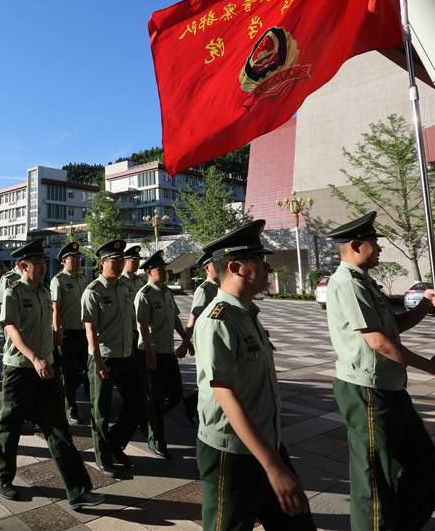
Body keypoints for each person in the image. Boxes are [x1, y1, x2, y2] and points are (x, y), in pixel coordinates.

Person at [325, 211, 435, 531]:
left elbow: (392, 327)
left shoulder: (365, 282)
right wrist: (432, 367)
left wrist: (423, 306)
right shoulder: (347, 282)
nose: (380, 247)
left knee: (428, 471)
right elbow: (379, 342)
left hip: (390, 388)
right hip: (368, 391)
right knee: (374, 483)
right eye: (374, 242)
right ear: (356, 245)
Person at [194, 220, 315, 531]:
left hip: (265, 442)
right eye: (260, 261)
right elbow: (225, 393)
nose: (268, 267)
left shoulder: (246, 314)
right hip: (232, 452)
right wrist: (273, 466)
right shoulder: (218, 320)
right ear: (235, 267)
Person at [0, 238, 106, 511]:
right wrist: (35, 358)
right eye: (37, 263)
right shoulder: (13, 291)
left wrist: (49, 359)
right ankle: (2, 477)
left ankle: (78, 491)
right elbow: (11, 329)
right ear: (22, 265)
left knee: (58, 428)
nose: (43, 267)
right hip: (20, 368)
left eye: (44, 262)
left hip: (46, 369)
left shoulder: (43, 292)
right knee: (10, 425)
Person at [82, 239, 146, 479]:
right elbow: (90, 328)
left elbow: (130, 317)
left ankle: (115, 443)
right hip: (104, 358)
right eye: (115, 261)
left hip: (126, 355)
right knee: (101, 411)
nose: (119, 265)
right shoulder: (93, 291)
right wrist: (97, 361)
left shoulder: (124, 288)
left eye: (121, 261)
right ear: (103, 263)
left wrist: (131, 336)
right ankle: (102, 457)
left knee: (139, 402)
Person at [135, 250, 187, 459]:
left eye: (165, 269)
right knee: (156, 398)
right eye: (160, 270)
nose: (164, 273)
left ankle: (149, 419)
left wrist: (185, 337)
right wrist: (149, 353)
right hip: (151, 352)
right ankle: (157, 439)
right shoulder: (144, 295)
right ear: (149, 272)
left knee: (175, 394)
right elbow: (143, 326)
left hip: (167, 352)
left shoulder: (167, 292)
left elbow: (175, 317)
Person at [50, 240, 89, 424]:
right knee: (69, 371)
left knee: (88, 369)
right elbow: (55, 309)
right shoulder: (58, 280)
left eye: (78, 258)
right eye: (72, 258)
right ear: (64, 261)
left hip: (83, 332)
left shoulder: (82, 279)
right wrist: (57, 332)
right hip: (66, 333)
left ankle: (65, 391)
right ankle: (70, 406)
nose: (77, 261)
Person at [180, 250, 215, 424]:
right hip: (207, 342)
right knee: (211, 380)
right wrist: (186, 342)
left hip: (218, 341)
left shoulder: (221, 286)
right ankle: (194, 405)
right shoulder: (205, 290)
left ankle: (192, 402)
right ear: (208, 268)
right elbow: (193, 316)